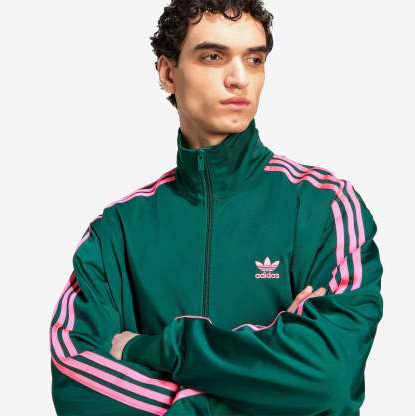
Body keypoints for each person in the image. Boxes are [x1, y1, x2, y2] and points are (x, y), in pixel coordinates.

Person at [49, 1, 383, 415]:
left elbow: (327, 377)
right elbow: (78, 380)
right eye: (213, 57)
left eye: (254, 60)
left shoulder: (325, 205)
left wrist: (153, 348)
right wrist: (274, 385)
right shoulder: (116, 232)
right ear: (168, 73)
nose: (239, 78)